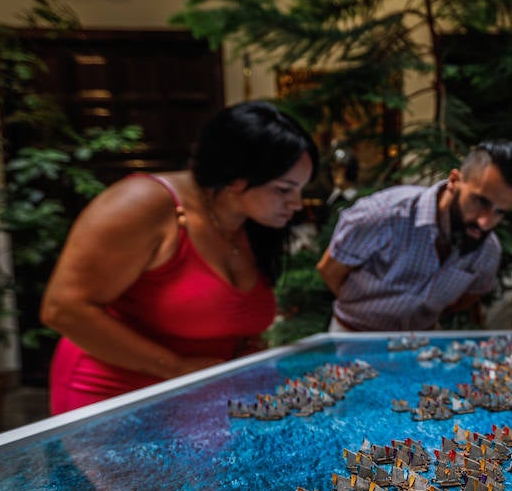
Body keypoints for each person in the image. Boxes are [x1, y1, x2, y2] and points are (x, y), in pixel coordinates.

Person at [41, 101, 318, 414]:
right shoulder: (142, 204)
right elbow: (63, 309)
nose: (296, 203)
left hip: (198, 402)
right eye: (284, 189)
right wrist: (175, 367)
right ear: (236, 177)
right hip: (115, 399)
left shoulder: (251, 224)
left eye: (301, 189)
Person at [316, 141, 512, 332]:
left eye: (500, 212)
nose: (485, 222)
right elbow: (330, 270)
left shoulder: (488, 250)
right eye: (480, 201)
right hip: (354, 337)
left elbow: (470, 297)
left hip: (424, 344)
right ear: (454, 180)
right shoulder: (384, 215)